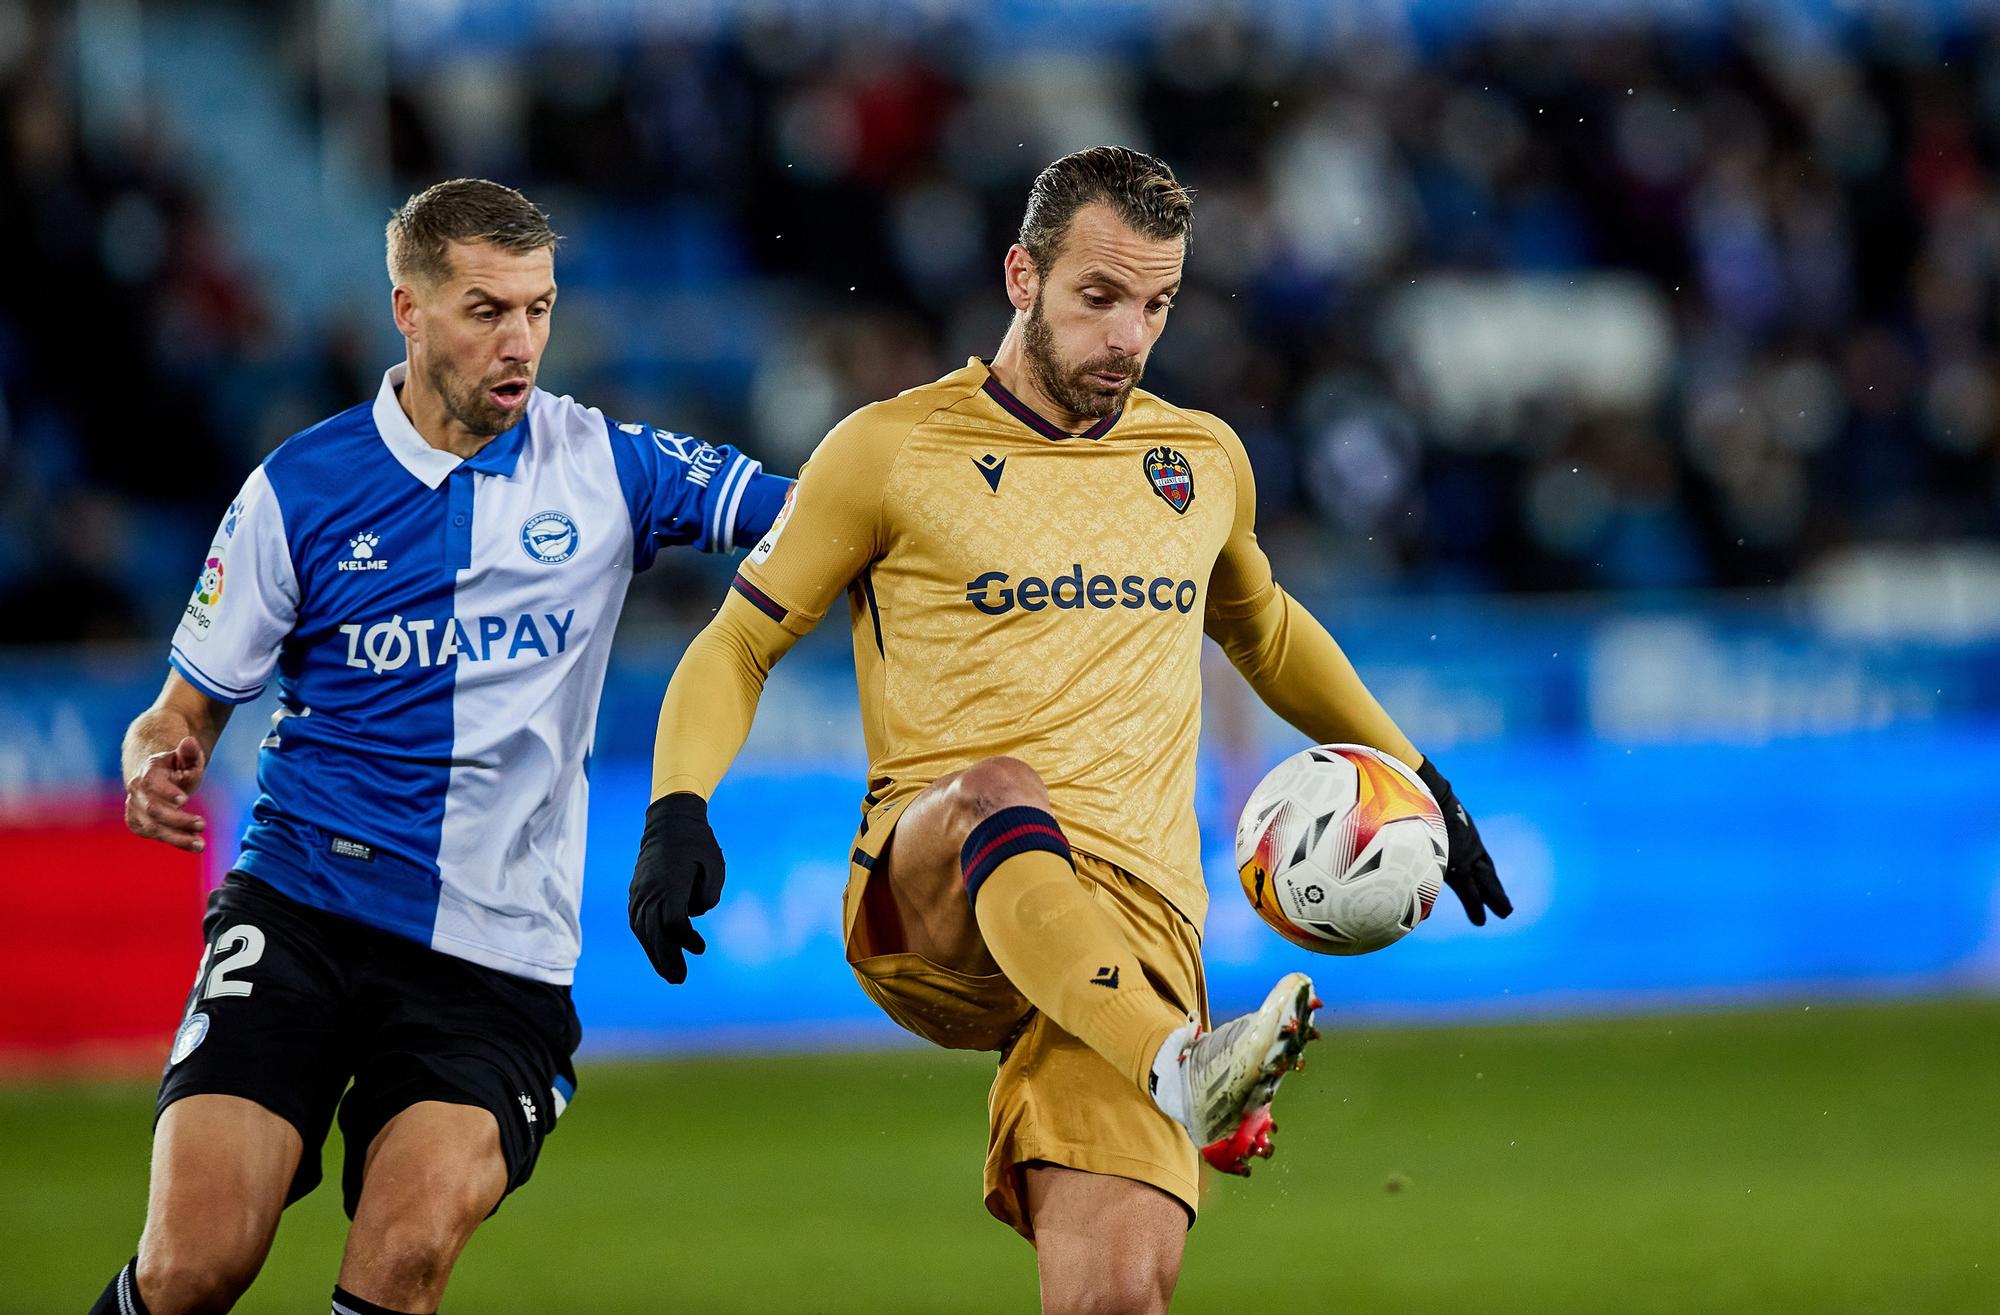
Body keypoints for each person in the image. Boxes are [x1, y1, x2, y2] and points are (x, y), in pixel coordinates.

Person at [628, 145, 1511, 1312]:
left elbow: (1268, 632)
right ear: (1018, 278)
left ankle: (1165, 1057)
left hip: (1130, 936)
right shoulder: (888, 450)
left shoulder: (1198, 458)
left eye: (1155, 305)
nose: (1126, 336)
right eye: (1097, 297)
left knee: (1117, 1301)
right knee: (1002, 789)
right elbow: (737, 641)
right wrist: (677, 807)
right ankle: (1183, 1068)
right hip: (933, 886)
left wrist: (1417, 772)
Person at [104, 178, 790, 1315]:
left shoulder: (609, 466)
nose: (519, 342)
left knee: (402, 1258)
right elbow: (183, 708)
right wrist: (152, 752)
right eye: (486, 310)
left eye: (539, 308)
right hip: (303, 908)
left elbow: (813, 510)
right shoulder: (299, 488)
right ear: (408, 312)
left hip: (495, 954)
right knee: (191, 1265)